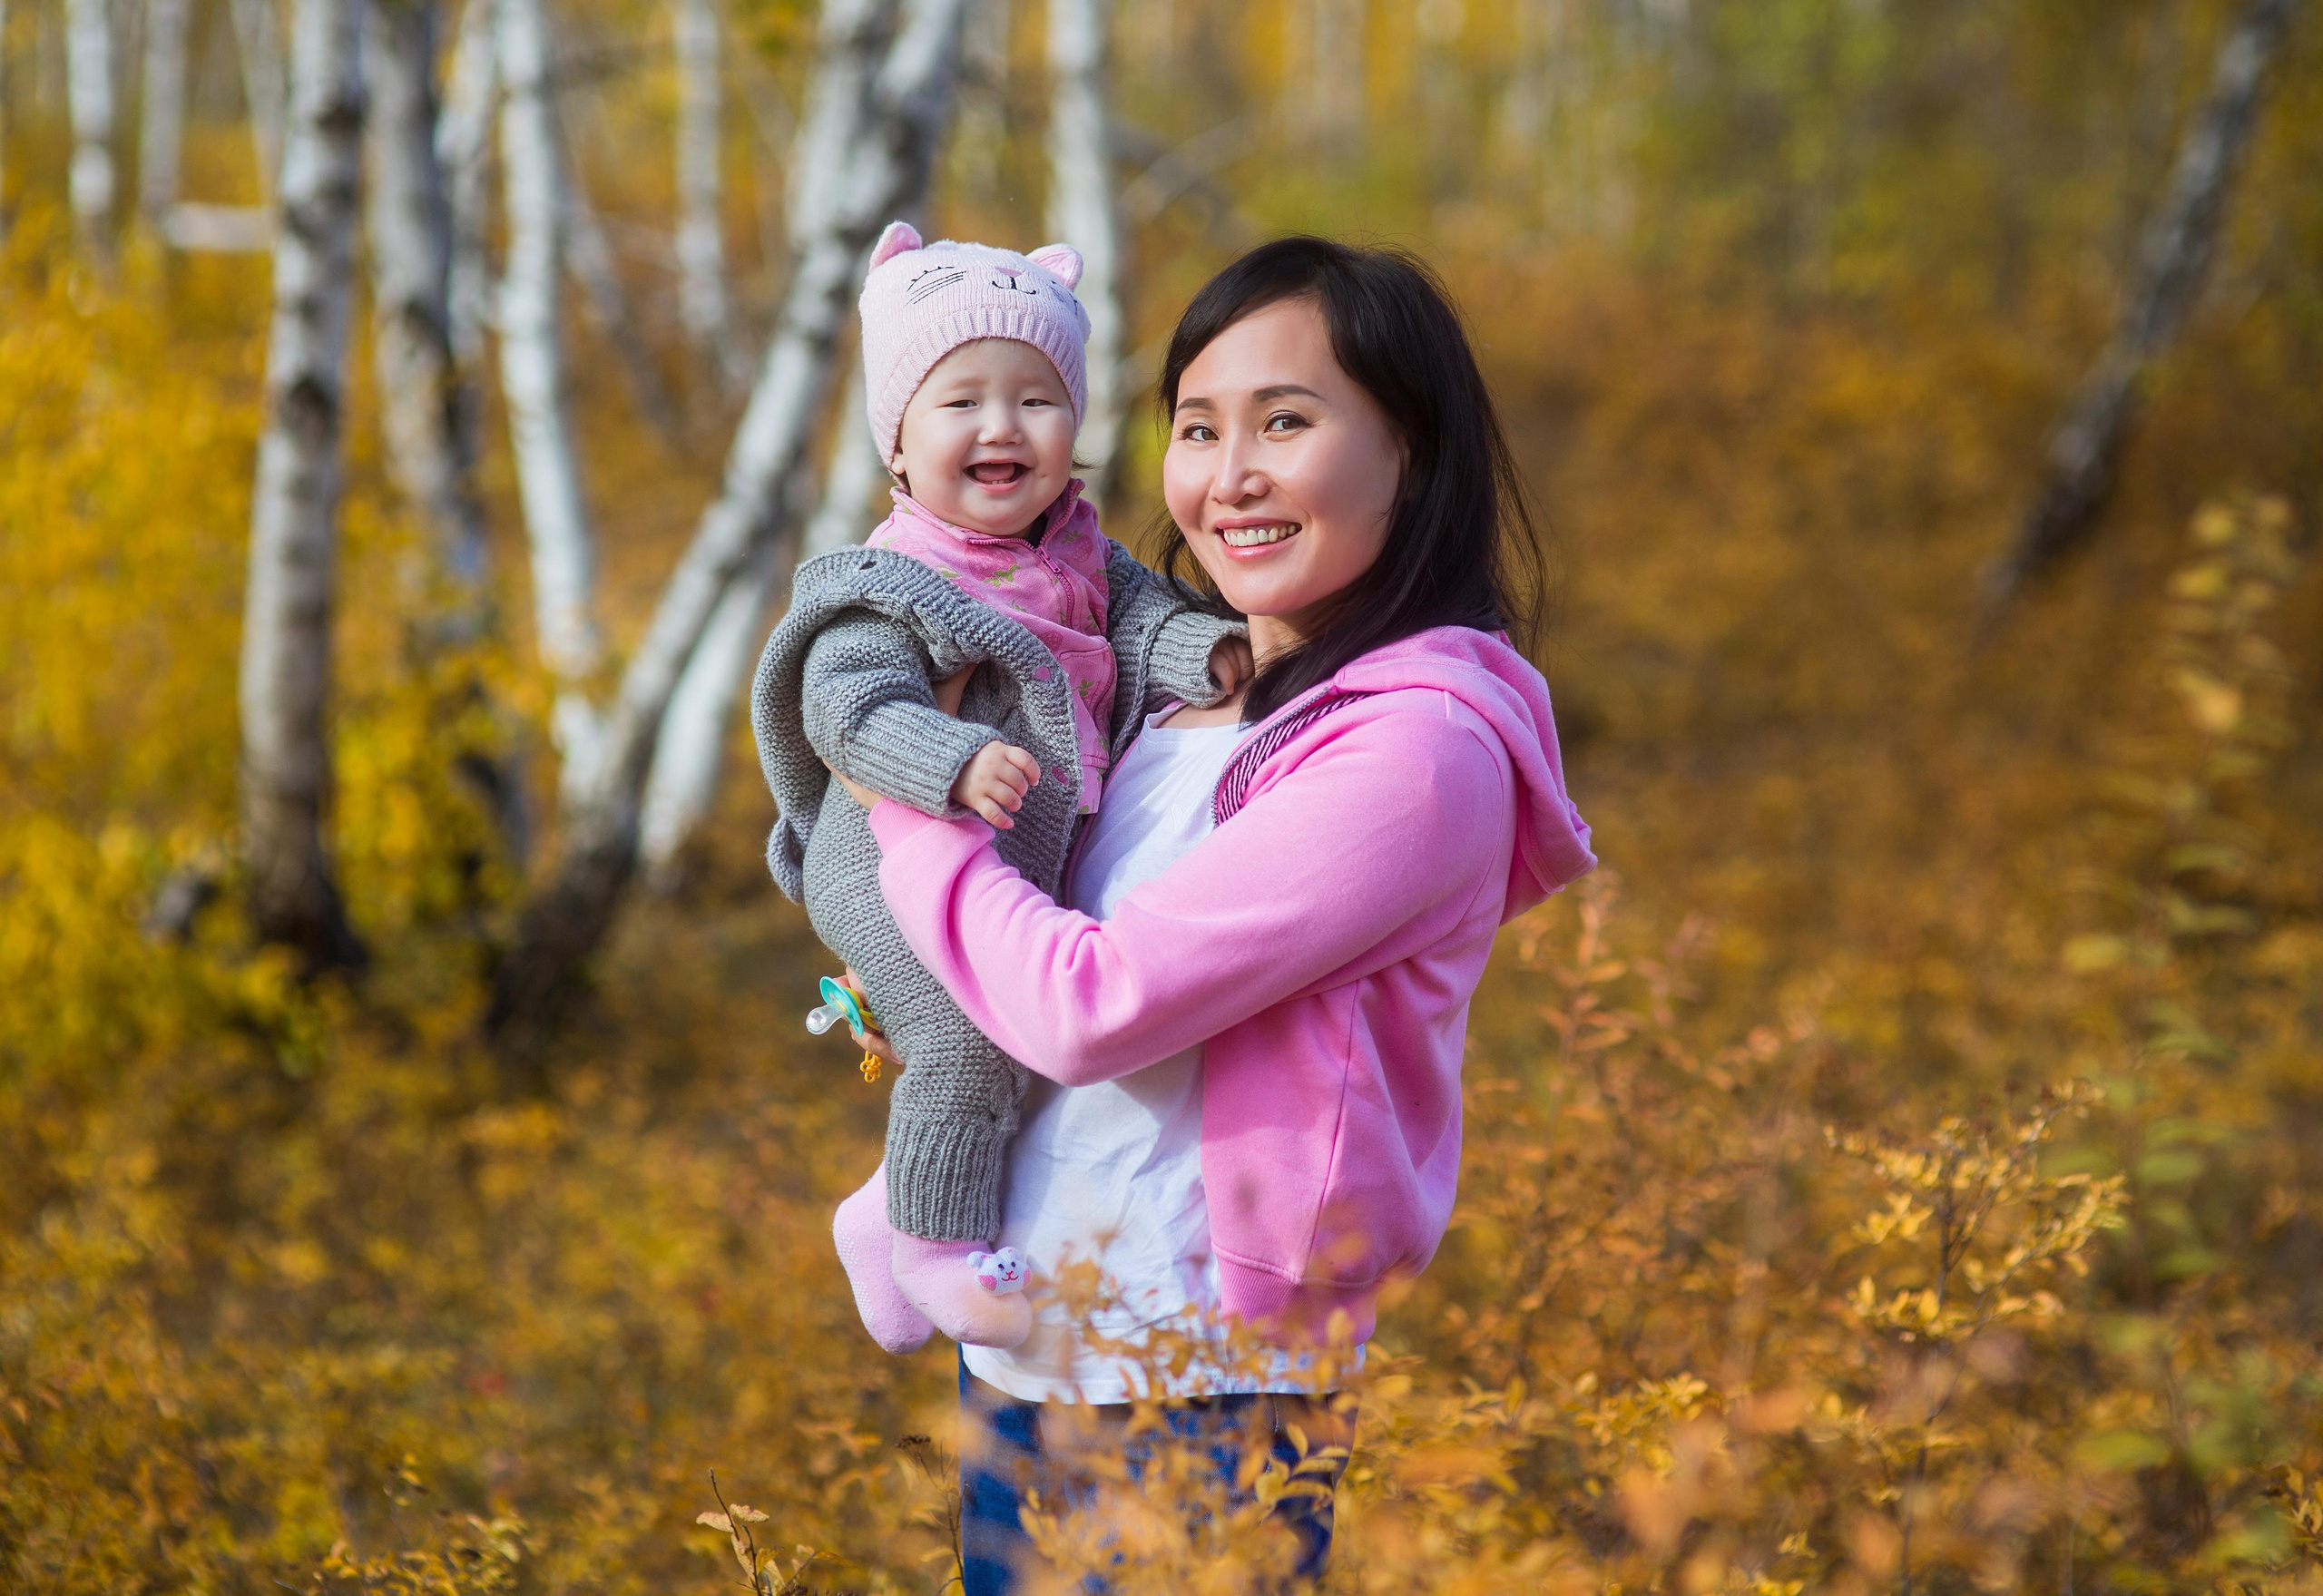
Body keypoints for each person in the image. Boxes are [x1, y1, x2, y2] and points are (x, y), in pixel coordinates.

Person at [830, 236, 1596, 1591]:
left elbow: (1091, 1002)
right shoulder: (1191, 687)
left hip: (1197, 1372)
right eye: (1196, 425)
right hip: (1035, 1333)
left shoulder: (1417, 750)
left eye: (1285, 421)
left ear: (1409, 452)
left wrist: (904, 800)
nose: (1226, 475)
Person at [750, 222, 1250, 1352]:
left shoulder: (1078, 550)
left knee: (1022, 1023)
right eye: (959, 401)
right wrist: (948, 759)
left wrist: (1200, 653)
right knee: (970, 1037)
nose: (1000, 427)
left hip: (999, 849)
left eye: (1035, 399)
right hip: (880, 854)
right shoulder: (892, 580)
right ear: (896, 442)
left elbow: (1141, 613)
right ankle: (933, 1246)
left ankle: (881, 1213)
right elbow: (847, 705)